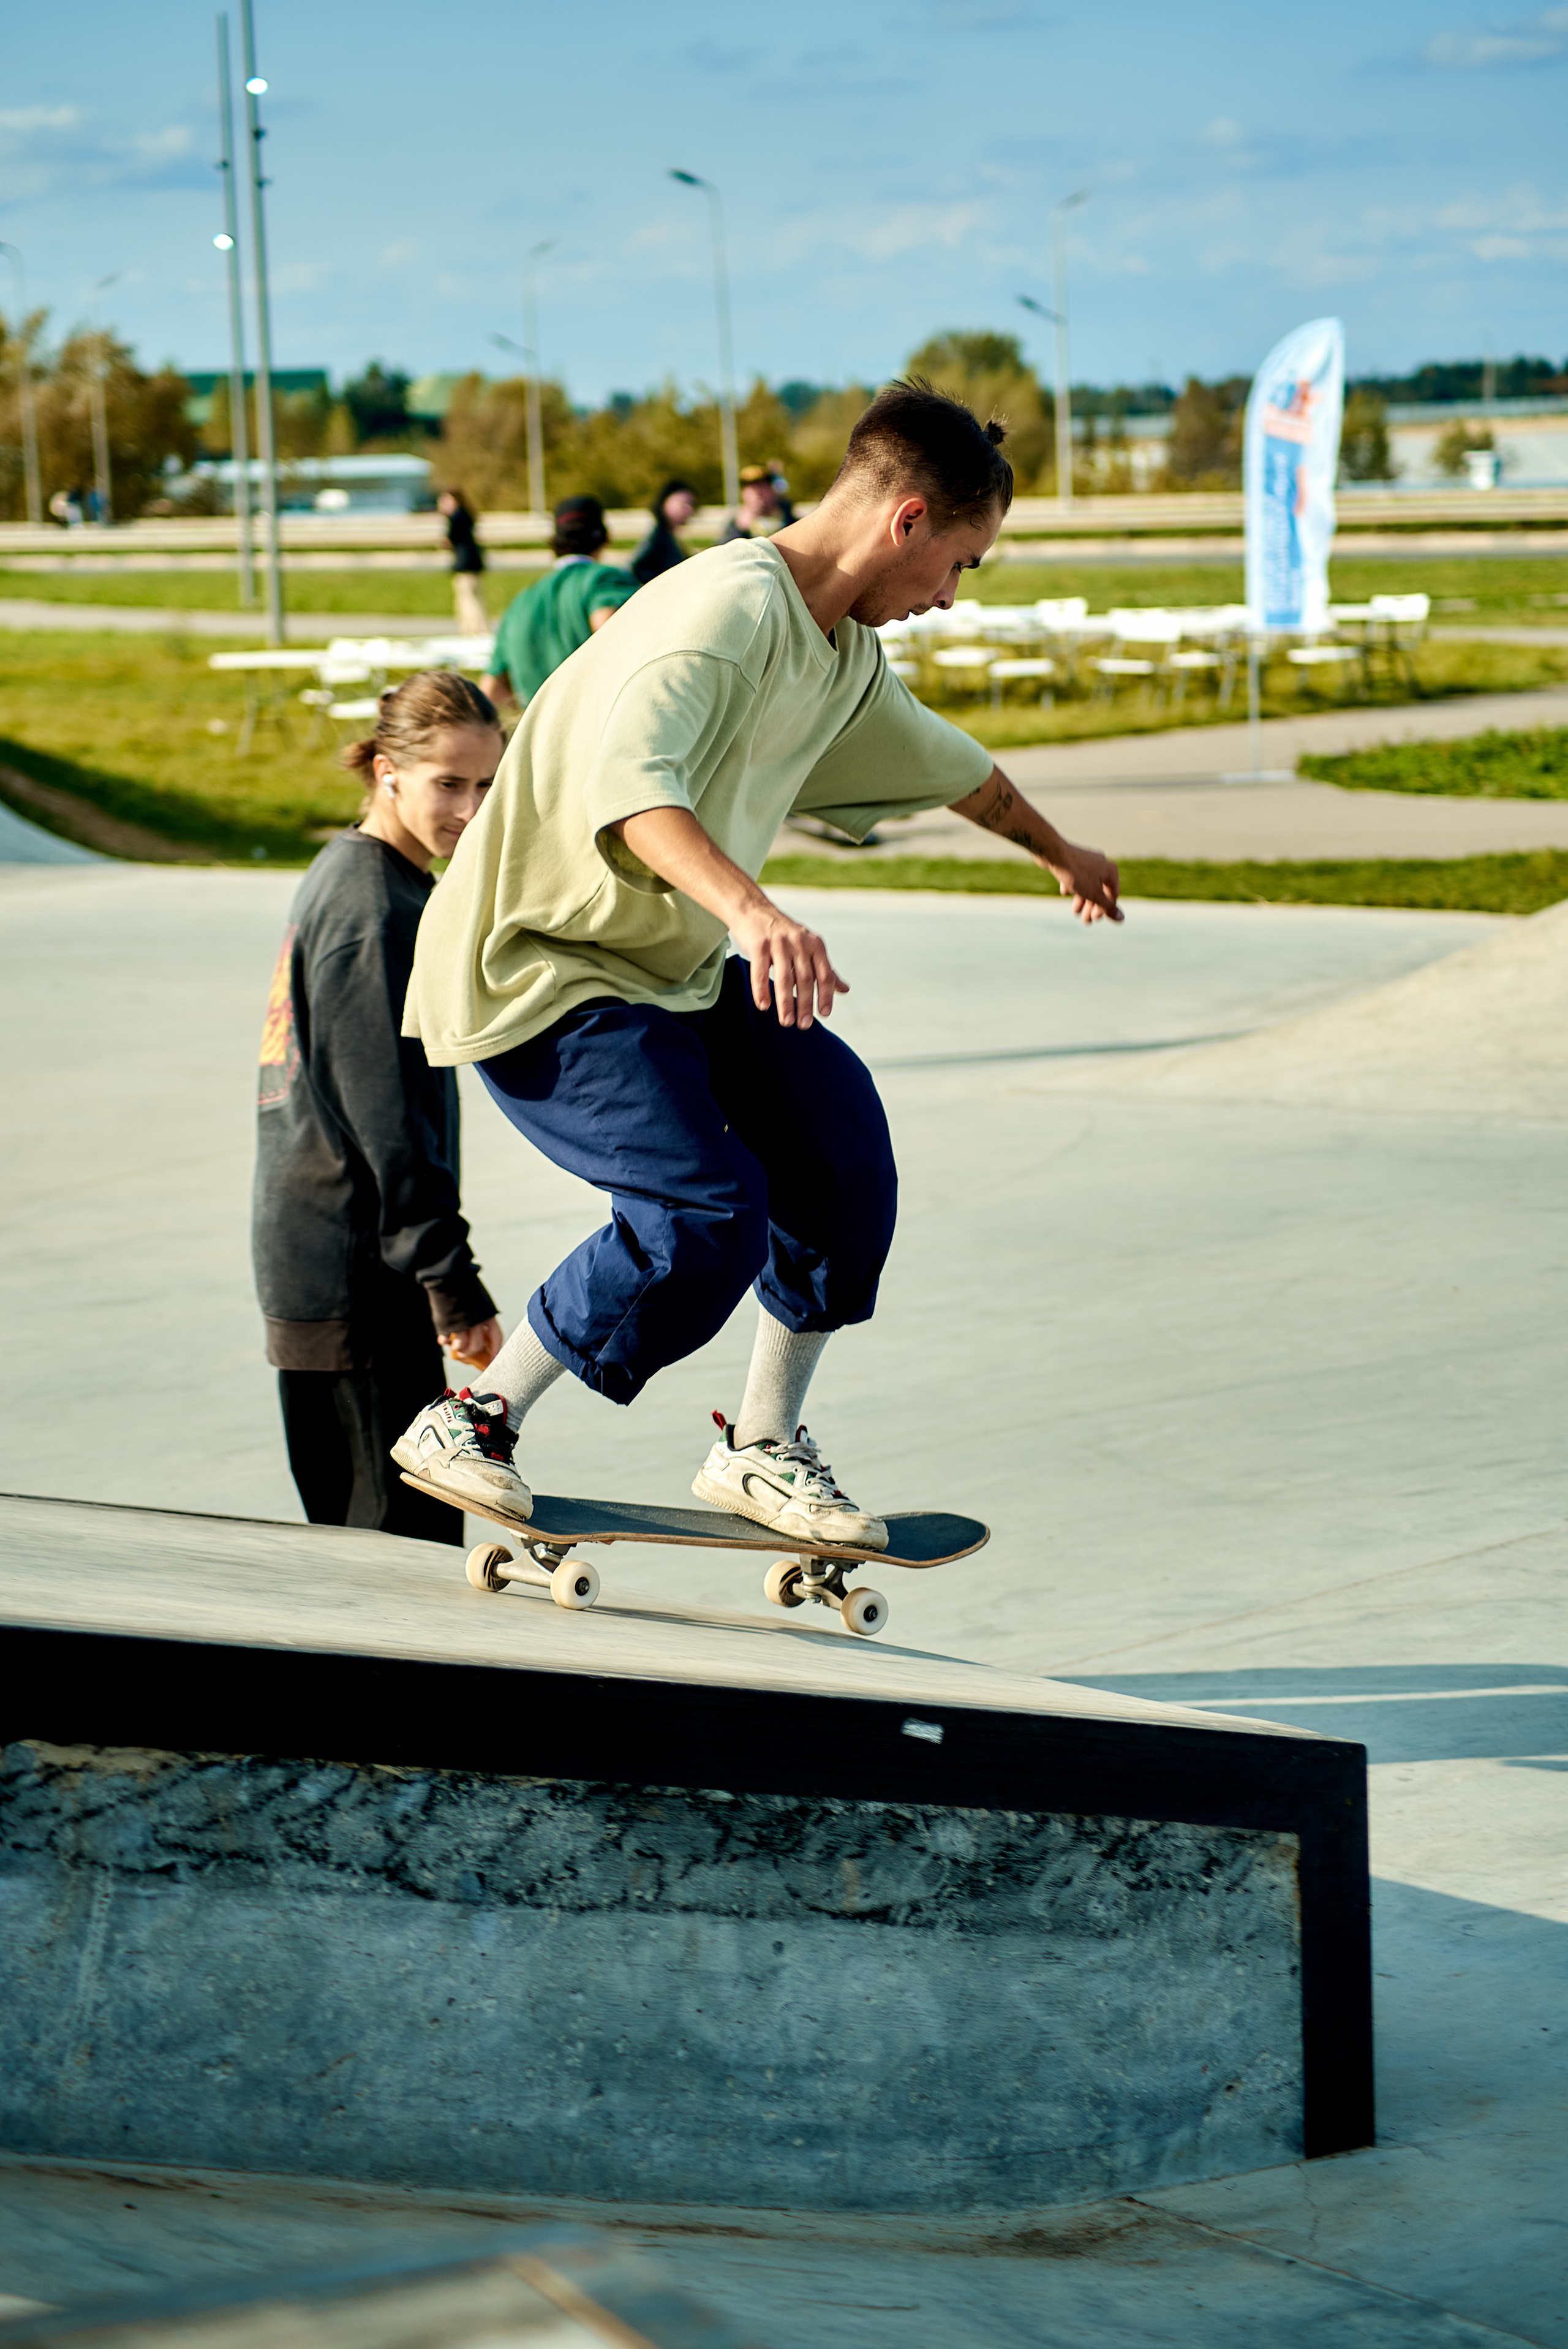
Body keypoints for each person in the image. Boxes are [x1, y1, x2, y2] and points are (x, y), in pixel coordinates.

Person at [393, 379, 1121, 1549]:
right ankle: (469, 1416)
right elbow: (634, 792)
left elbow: (953, 767)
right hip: (542, 967)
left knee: (840, 1152)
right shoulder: (720, 614)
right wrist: (753, 909)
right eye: (960, 567)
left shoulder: (838, 655)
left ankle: (759, 1446)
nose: (947, 598)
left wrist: (1059, 850)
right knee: (702, 1210)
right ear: (910, 520)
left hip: (662, 968)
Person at [254, 670, 507, 1546]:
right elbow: (388, 1114)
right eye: (448, 784)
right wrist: (451, 1277)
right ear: (386, 771)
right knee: (397, 1565)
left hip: (335, 1261)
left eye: (485, 784)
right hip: (360, 1273)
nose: (470, 811)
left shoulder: (366, 876)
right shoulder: (374, 908)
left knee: (369, 1554)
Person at [481, 495, 638, 713]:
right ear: (604, 537)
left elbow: (492, 690)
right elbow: (612, 633)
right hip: (597, 725)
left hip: (540, 737)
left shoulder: (521, 601)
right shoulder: (606, 580)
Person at [438, 488, 488, 636]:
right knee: (477, 596)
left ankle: (472, 629)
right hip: (475, 562)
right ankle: (481, 627)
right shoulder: (467, 515)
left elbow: (449, 540)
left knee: (466, 598)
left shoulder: (456, 517)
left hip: (464, 564)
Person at [630, 480, 697, 584]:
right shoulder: (657, 539)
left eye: (691, 505)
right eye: (683, 504)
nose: (689, 510)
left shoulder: (669, 536)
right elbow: (638, 569)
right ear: (664, 503)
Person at [715, 463, 781, 543]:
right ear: (743, 493)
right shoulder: (734, 527)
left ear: (772, 489)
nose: (757, 493)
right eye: (751, 488)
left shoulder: (788, 519)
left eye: (762, 487)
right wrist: (741, 528)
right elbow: (723, 552)